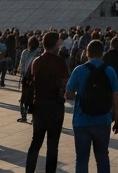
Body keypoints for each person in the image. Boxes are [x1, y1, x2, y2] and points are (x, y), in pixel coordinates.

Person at [66, 39, 118, 173]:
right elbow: (116, 99)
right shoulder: (110, 71)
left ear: (86, 53)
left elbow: (68, 94)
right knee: (102, 157)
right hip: (103, 119)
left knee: (82, 159)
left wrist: (81, 95)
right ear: (102, 53)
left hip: (81, 121)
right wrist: (117, 120)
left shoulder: (79, 70)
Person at [26, 31, 72, 173]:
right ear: (55, 44)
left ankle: (29, 171)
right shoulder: (60, 63)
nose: (60, 44)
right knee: (53, 145)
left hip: (39, 105)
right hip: (55, 107)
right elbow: (65, 85)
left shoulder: (37, 61)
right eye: (59, 42)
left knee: (36, 142)